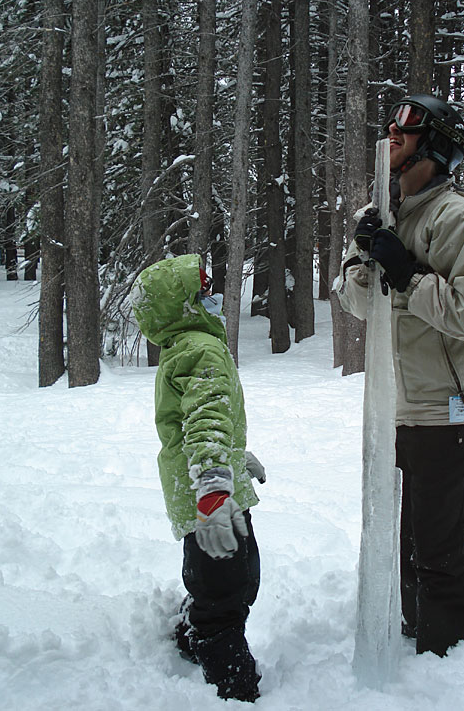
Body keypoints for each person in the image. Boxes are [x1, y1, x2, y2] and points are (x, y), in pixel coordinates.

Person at [336, 93, 464, 657]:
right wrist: (360, 259)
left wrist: (407, 275)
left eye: (408, 126)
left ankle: (450, 654)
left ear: (434, 145)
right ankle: (410, 635)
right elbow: (358, 304)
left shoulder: (461, 218)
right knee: (401, 542)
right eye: (391, 125)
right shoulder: (382, 213)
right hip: (394, 407)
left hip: (443, 408)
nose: (393, 132)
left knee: (438, 545)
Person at [130, 253, 265, 701]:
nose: (212, 299)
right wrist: (212, 485)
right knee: (225, 592)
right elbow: (204, 418)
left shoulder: (189, 347)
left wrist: (237, 459)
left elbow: (209, 418)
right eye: (202, 294)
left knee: (238, 576)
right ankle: (232, 681)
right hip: (210, 500)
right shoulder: (197, 350)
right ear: (183, 305)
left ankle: (190, 633)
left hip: (217, 491)